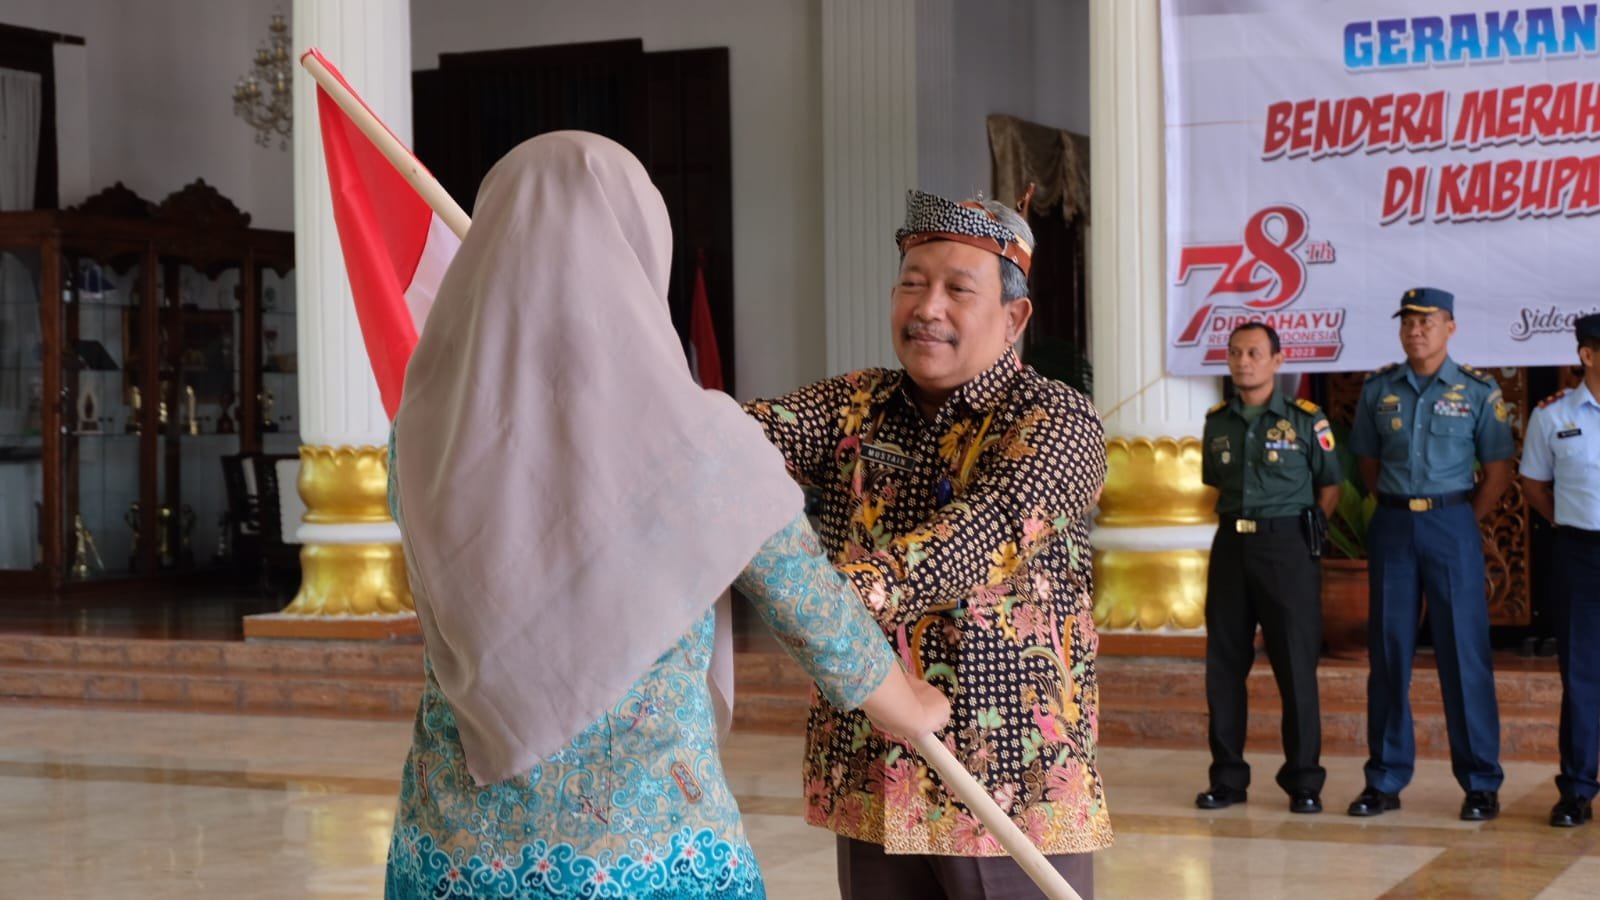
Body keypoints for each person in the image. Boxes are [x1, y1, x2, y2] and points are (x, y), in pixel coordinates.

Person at [383, 131, 950, 899]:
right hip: (642, 854)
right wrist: (906, 701)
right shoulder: (694, 442)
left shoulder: (419, 434)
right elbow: (813, 612)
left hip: (450, 849)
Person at [744, 189, 1110, 900]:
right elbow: (735, 442)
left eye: (956, 289)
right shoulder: (856, 404)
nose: (927, 308)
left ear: (1014, 317)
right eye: (912, 283)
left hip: (1007, 778)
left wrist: (836, 599)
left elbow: (991, 525)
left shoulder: (1058, 418)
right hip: (876, 772)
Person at [1346, 287, 1514, 821]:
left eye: (1428, 321)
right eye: (1409, 322)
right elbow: (1368, 466)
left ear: (1451, 328)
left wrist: (1458, 516)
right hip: (1394, 523)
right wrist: (1404, 506)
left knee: (1465, 654)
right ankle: (1386, 778)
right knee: (1390, 652)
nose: (1417, 330)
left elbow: (1498, 472)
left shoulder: (1478, 392)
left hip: (1451, 524)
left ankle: (1480, 782)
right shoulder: (1379, 391)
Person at [1195, 322, 1341, 815]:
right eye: (1235, 352)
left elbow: (1330, 486)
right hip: (1232, 547)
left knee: (1296, 668)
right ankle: (1228, 778)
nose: (1243, 361)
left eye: (1255, 353)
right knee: (1224, 668)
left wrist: (1304, 534)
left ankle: (1304, 780)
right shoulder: (1218, 421)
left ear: (1278, 361)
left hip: (1288, 549)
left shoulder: (1305, 419)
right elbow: (1214, 480)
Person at [1520, 312, 1600, 828]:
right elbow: (1532, 484)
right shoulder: (1552, 415)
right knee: (1582, 674)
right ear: (1588, 355)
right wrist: (1566, 522)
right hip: (1580, 554)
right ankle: (1576, 789)